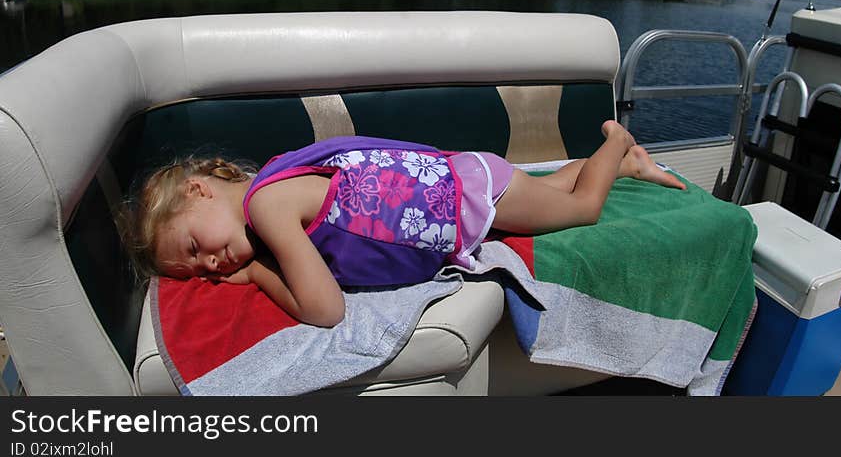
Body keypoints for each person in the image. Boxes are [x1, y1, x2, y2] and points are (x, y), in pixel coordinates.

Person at [123, 120, 685, 328]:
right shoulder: (272, 182)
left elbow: (325, 311)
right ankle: (614, 166)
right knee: (554, 192)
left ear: (200, 189)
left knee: (580, 209)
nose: (211, 266)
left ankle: (618, 145)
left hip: (468, 199)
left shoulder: (268, 209)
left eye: (195, 245)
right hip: (466, 187)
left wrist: (256, 278)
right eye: (196, 270)